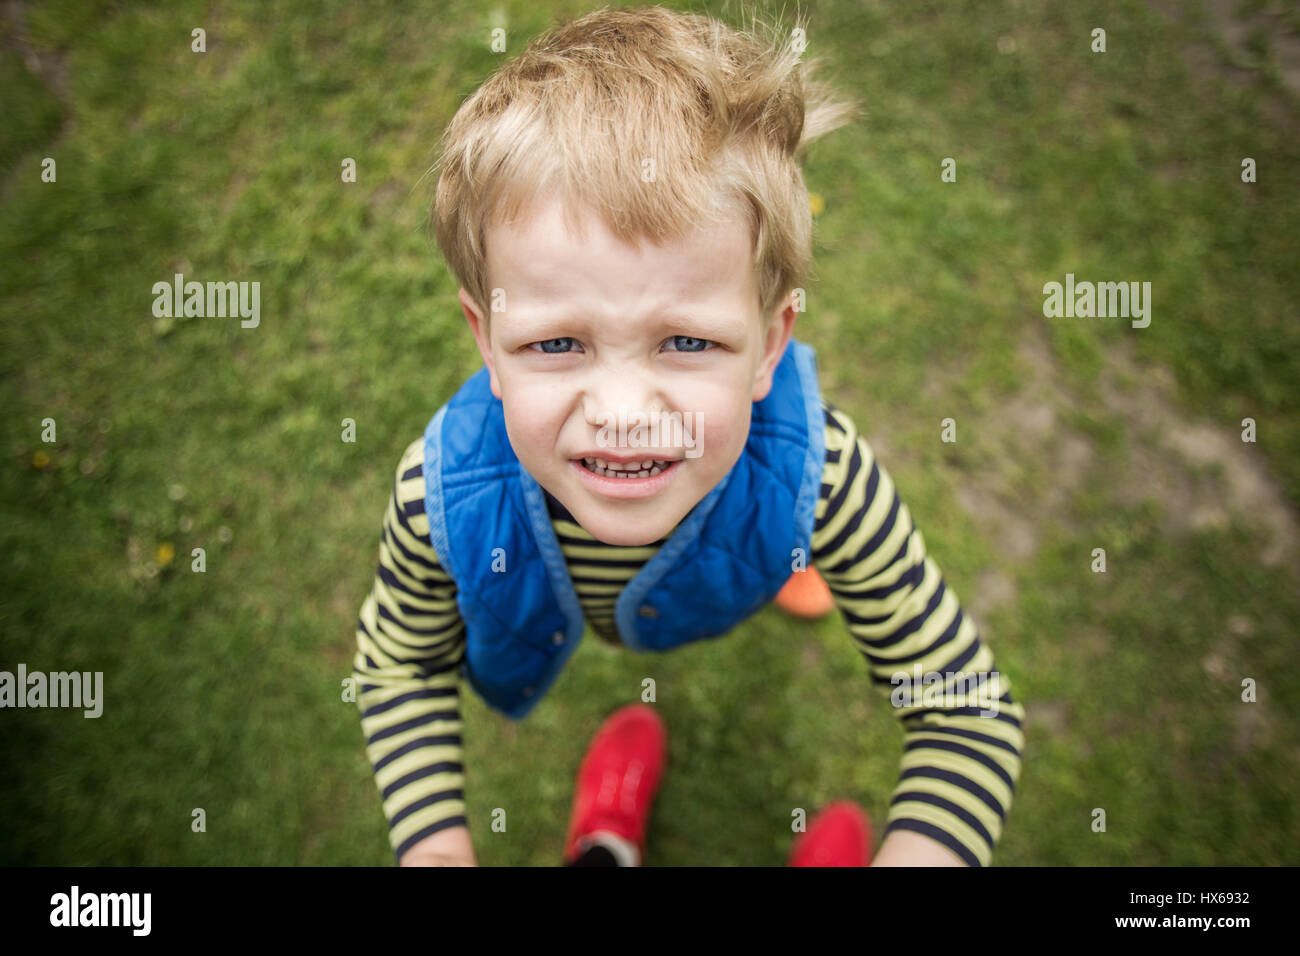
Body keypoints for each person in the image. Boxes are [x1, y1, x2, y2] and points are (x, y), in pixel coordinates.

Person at [352, 5, 1025, 868]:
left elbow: (966, 708)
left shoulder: (823, 480)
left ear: (770, 347)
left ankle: (775, 544)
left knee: (774, 509)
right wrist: (435, 852)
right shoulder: (438, 497)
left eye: (688, 341)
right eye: (557, 344)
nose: (625, 413)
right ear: (486, 340)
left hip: (777, 502)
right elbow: (400, 663)